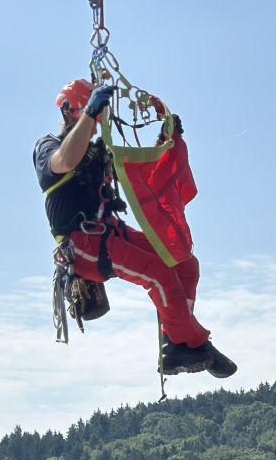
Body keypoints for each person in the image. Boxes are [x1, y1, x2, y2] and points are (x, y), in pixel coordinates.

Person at [33, 78, 236, 377]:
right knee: (159, 274)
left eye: (98, 115)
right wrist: (89, 114)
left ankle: (176, 337)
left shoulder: (97, 151)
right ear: (68, 112)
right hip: (82, 245)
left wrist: (166, 140)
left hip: (109, 231)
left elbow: (143, 173)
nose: (95, 121)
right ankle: (193, 341)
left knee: (183, 264)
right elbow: (65, 160)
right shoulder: (48, 147)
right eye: (86, 113)